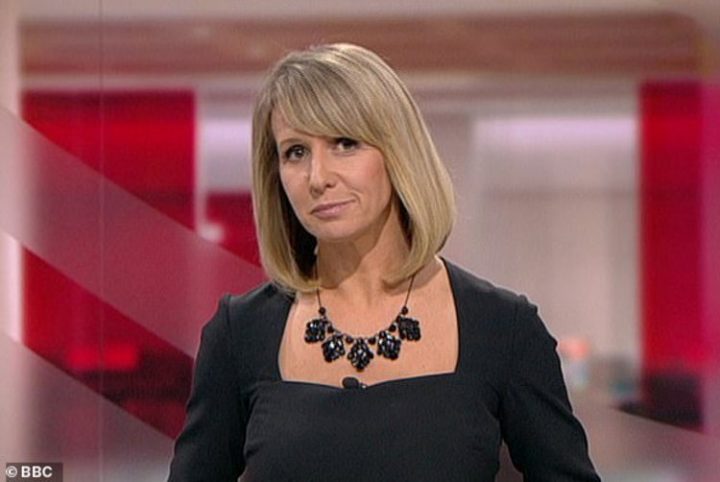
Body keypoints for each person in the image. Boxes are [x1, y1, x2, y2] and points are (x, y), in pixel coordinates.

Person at [168, 43, 600, 481]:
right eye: (295, 152)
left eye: (344, 143)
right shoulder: (239, 334)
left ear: (398, 153)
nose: (318, 177)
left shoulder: (503, 328)